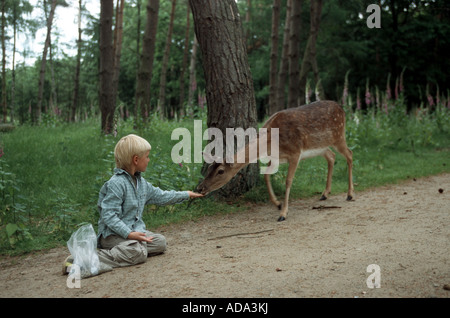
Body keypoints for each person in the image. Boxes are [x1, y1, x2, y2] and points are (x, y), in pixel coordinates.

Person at [63, 134, 203, 276]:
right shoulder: (116, 184)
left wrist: (186, 194)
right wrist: (129, 234)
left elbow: (161, 196)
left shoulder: (141, 183)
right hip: (113, 235)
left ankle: (123, 251)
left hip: (133, 231)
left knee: (160, 242)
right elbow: (109, 216)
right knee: (138, 252)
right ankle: (82, 260)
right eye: (147, 156)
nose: (148, 160)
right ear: (136, 160)